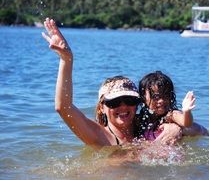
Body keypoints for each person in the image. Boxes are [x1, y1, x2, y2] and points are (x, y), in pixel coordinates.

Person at [41, 18, 182, 148]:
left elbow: (201, 131)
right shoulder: (100, 136)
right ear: (102, 107)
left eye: (129, 100)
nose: (123, 106)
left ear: (138, 103)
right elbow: (63, 107)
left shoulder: (145, 127)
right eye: (114, 102)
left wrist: (177, 128)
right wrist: (66, 59)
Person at [136, 71, 209, 140]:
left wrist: (186, 111)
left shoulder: (171, 115)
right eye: (156, 96)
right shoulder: (140, 120)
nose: (161, 100)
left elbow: (186, 123)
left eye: (166, 95)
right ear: (143, 97)